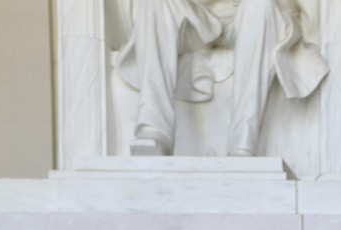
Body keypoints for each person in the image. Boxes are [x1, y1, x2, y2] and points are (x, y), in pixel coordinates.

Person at [111, 0, 329, 156]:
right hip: (191, 17)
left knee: (261, 5)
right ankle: (153, 129)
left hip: (244, 17)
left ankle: (243, 143)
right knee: (154, 2)